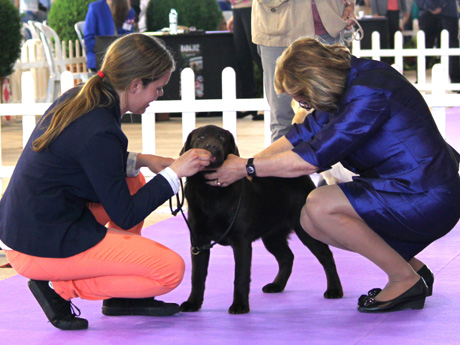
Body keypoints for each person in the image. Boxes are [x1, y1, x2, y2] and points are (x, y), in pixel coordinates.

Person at [204, 38, 460, 313]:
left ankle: (404, 280)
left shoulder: (368, 93)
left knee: (320, 205)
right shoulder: (349, 82)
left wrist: (246, 168)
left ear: (316, 81)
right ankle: (411, 268)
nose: (299, 103)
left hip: (426, 195)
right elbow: (299, 136)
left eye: (300, 96)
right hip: (408, 188)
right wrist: (242, 166)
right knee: (310, 220)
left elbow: (311, 159)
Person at [0, 33, 213, 330]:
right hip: (39, 244)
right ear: (136, 84)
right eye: (158, 88)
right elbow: (124, 216)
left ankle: (117, 296)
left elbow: (83, 157)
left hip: (28, 226)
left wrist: (143, 160)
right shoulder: (100, 128)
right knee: (170, 271)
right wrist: (174, 173)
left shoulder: (83, 96)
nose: (159, 96)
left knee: (134, 180)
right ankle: (62, 288)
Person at [251, 0, 357, 142]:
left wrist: (350, 5)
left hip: (329, 26)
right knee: (282, 118)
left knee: (334, 112)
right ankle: (280, 163)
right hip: (278, 30)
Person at [227, 0, 263, 121]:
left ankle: (266, 104)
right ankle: (247, 103)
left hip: (253, 7)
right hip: (237, 8)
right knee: (242, 59)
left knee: (259, 58)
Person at [414, 0, 460, 84]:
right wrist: (430, 6)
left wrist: (439, 5)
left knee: (451, 47)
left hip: (448, 12)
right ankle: (420, 81)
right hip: (427, 12)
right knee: (424, 47)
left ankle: (456, 81)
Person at [84, 0, 136, 72]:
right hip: (98, 58)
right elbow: (89, 36)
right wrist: (99, 53)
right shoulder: (95, 7)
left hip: (121, 58)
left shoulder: (129, 11)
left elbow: (128, 36)